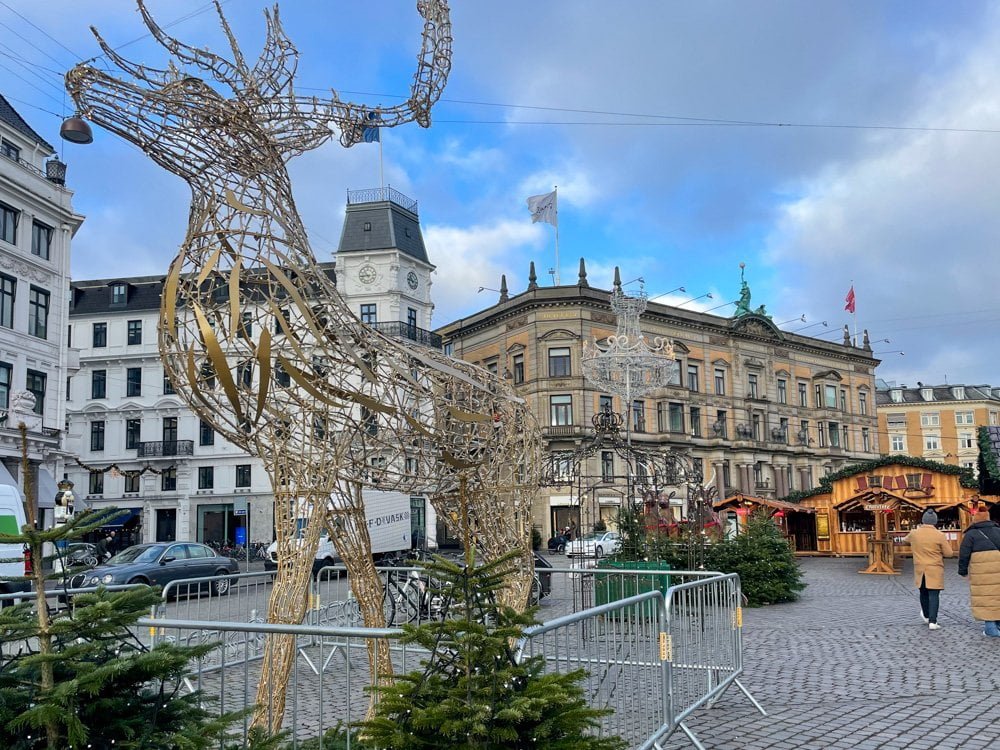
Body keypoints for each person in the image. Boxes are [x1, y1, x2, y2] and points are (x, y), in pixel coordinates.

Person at [905, 509, 952, 630]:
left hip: (920, 567)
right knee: (934, 594)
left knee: (923, 592)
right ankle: (933, 621)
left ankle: (926, 615)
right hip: (935, 568)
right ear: (935, 521)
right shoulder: (939, 535)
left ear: (923, 520)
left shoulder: (914, 533)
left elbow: (905, 541)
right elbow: (949, 553)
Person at [958, 504, 1000, 638]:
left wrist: (962, 570)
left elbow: (964, 554)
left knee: (986, 597)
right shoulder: (998, 531)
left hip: (981, 572)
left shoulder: (971, 534)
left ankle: (990, 628)